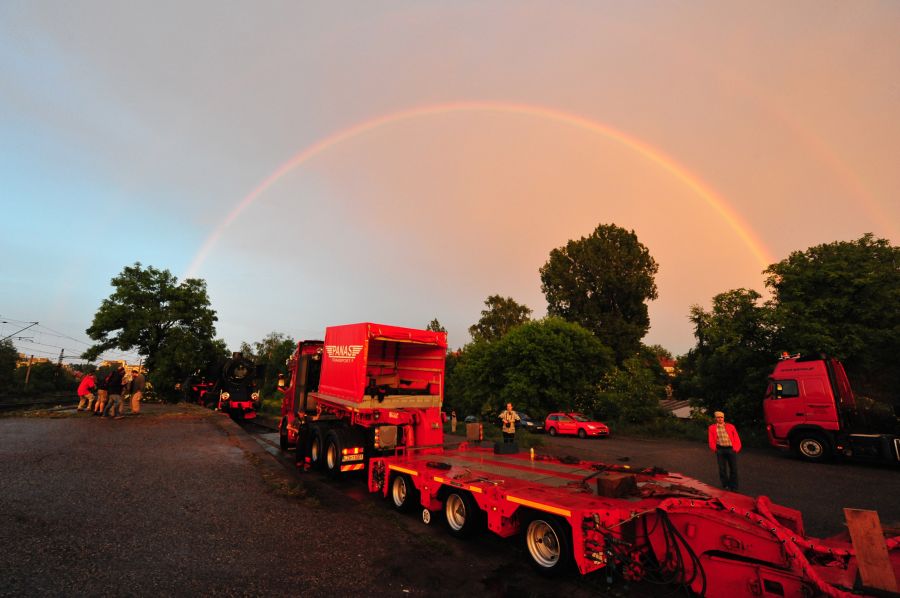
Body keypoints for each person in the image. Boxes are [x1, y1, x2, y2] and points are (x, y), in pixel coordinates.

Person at [708, 411, 742, 491]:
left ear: (724, 418)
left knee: (733, 469)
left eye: (721, 417)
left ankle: (734, 486)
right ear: (716, 418)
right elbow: (711, 440)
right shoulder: (712, 428)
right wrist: (715, 449)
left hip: (730, 449)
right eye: (718, 417)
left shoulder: (731, 426)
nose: (720, 419)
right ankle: (725, 485)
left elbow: (736, 438)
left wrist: (736, 448)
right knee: (722, 469)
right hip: (720, 450)